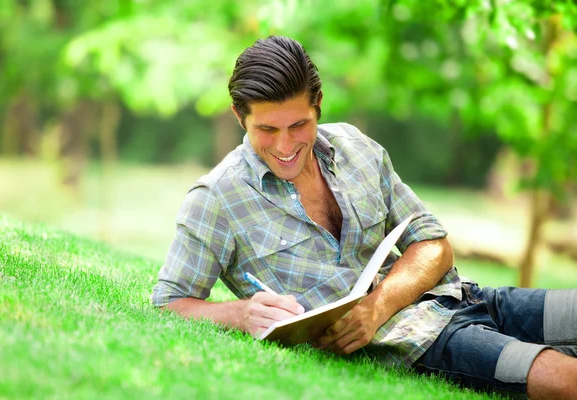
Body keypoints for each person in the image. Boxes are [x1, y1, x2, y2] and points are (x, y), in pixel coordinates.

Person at [151, 36, 577, 398]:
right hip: (421, 342)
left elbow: (434, 244)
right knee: (565, 379)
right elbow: (169, 304)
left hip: (467, 297)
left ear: (318, 104)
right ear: (238, 115)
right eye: (267, 129)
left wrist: (376, 305)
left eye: (298, 124)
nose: (285, 145)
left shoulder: (356, 148)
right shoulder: (216, 199)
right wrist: (241, 315)